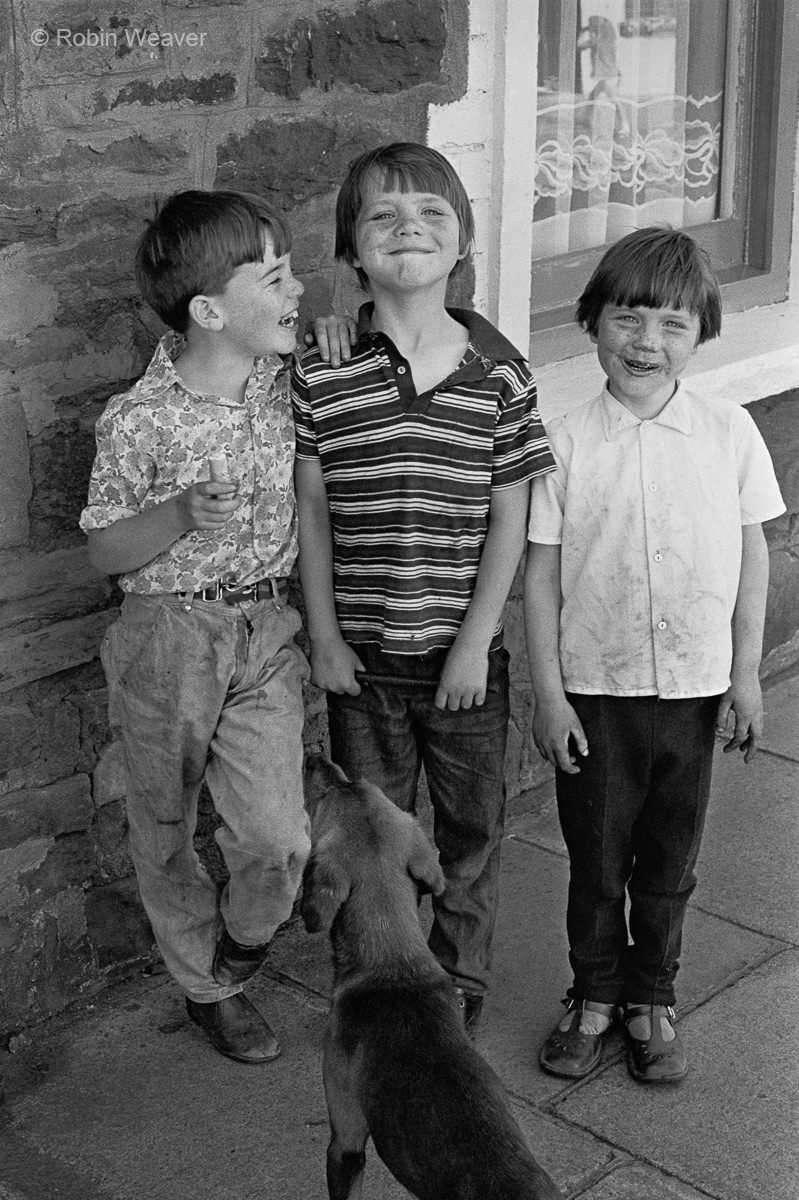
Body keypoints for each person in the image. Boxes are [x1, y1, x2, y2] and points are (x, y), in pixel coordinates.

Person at [292, 142, 555, 1037]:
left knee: (470, 834)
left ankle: (458, 980)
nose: (408, 227)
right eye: (382, 215)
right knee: (369, 838)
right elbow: (312, 511)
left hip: (463, 661)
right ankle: (376, 985)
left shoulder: (499, 375)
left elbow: (510, 517)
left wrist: (476, 642)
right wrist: (324, 636)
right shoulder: (320, 371)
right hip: (361, 662)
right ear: (350, 251)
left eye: (432, 213)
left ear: (464, 244)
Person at [524, 227, 785, 1083]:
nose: (647, 342)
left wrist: (744, 675)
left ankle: (650, 996)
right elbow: (541, 576)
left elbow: (751, 558)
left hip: (694, 690)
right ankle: (593, 994)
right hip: (596, 692)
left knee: (669, 861)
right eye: (628, 319)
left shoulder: (727, 432)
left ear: (702, 332)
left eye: (672, 324)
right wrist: (549, 695)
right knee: (597, 859)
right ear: (592, 321)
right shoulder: (564, 442)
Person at [80, 189, 311, 1065]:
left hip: (264, 627)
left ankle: (244, 940)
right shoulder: (138, 418)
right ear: (210, 312)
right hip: (166, 636)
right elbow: (104, 552)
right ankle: (208, 988)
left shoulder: (287, 388)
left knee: (274, 836)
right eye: (275, 277)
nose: (298, 289)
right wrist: (177, 513)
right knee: (164, 824)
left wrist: (328, 334)